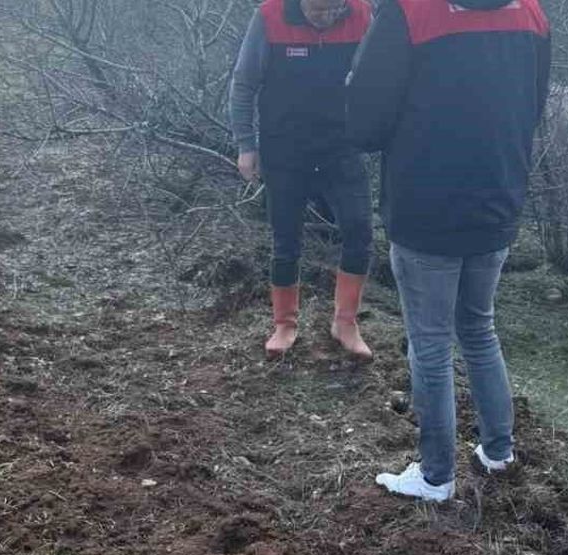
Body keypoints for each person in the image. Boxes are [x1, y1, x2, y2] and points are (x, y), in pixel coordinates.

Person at [346, 0, 551, 501]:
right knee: (479, 329)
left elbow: (365, 127)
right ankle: (498, 452)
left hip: (425, 211)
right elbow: (534, 108)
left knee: (431, 345)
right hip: (498, 201)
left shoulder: (407, 13)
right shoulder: (530, 13)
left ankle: (436, 476)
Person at [229, 0, 376, 360]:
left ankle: (345, 322)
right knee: (286, 239)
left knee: (359, 230)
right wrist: (246, 145)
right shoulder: (270, 15)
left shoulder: (361, 14)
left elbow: (378, 77)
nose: (324, 18)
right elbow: (244, 83)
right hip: (284, 148)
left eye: (332, 10)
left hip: (342, 146)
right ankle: (285, 324)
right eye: (316, 11)